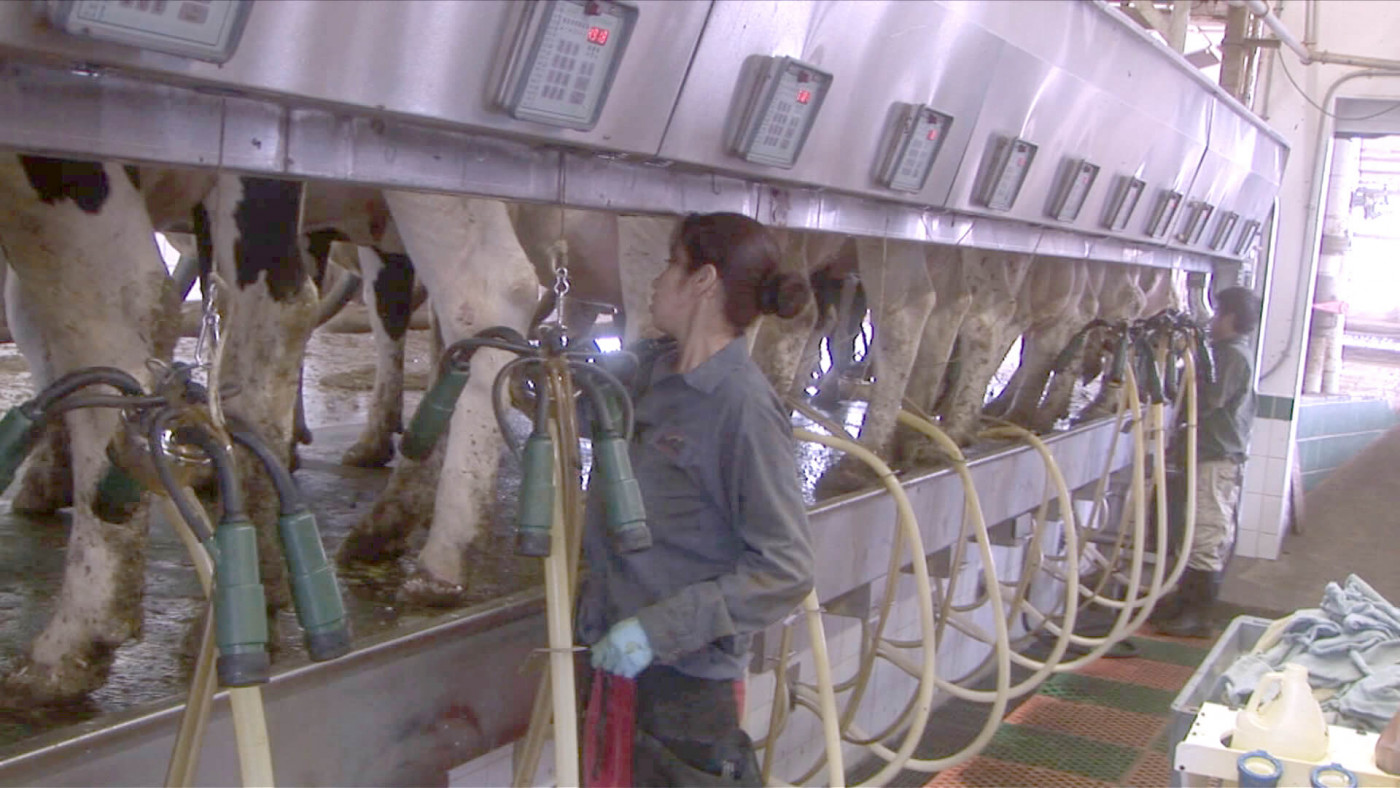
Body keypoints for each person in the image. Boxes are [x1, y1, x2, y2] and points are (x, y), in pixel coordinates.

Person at [576, 212, 816, 786]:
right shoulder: (650, 371)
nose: (657, 280)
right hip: (614, 662)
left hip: (686, 686)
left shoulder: (742, 409)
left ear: (703, 281)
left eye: (670, 264)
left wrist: (657, 631)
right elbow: (577, 411)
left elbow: (785, 570)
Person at [1155, 285, 1262, 638]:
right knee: (1192, 530)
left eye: (1217, 314)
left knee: (1205, 532)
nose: (1212, 321)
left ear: (1231, 317)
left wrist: (1186, 365)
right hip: (1204, 454)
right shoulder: (1225, 352)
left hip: (1217, 459)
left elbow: (1209, 400)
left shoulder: (1231, 355)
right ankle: (1185, 601)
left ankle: (1199, 613)